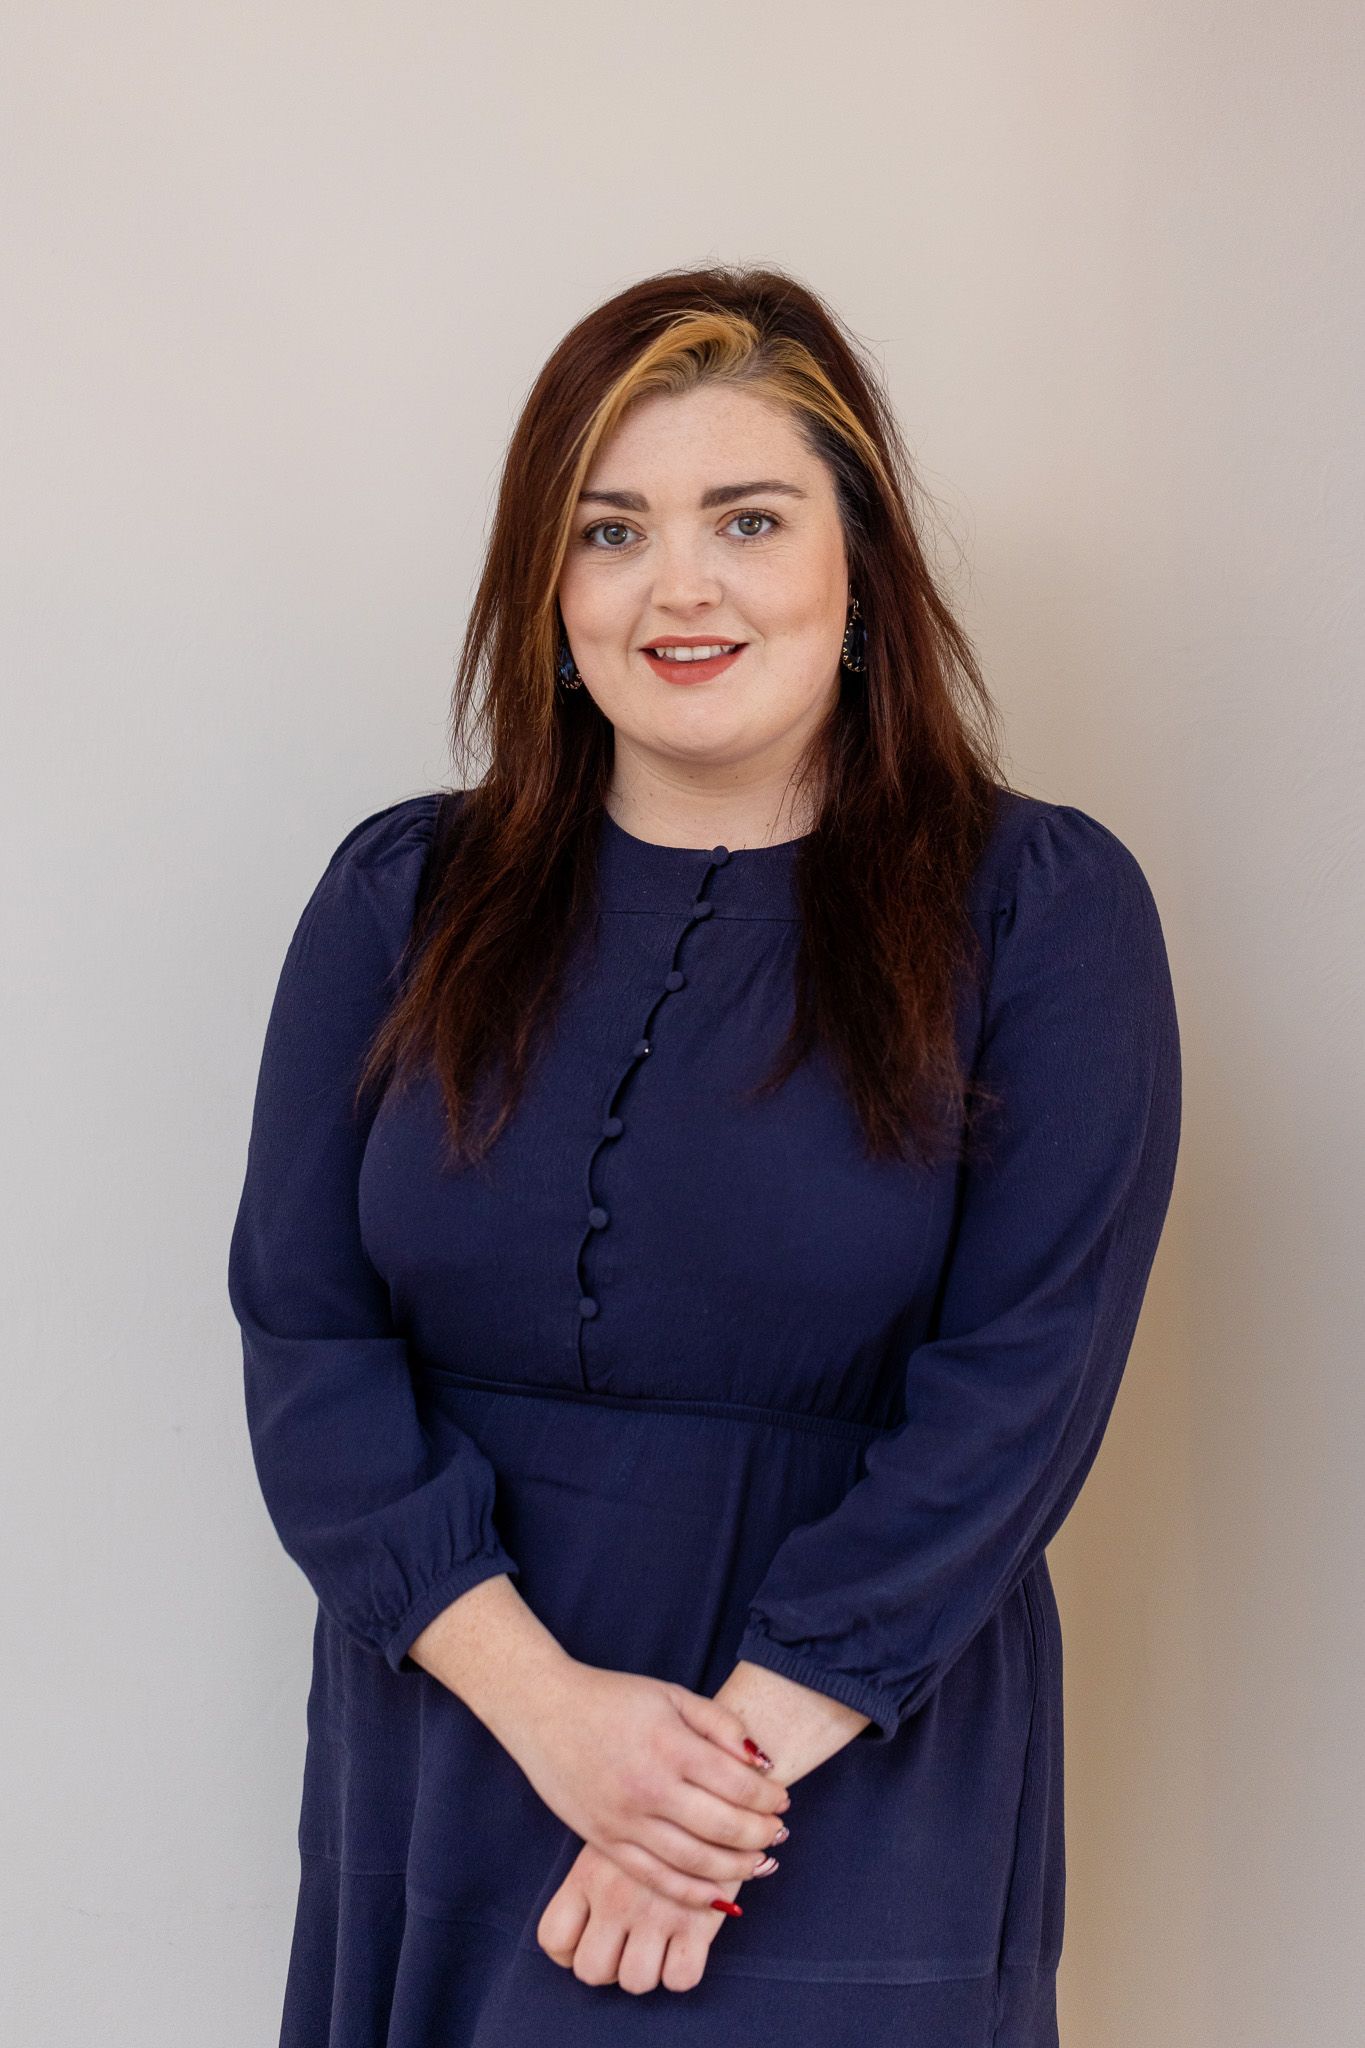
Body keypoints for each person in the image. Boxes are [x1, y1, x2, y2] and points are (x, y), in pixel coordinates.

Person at [227, 263, 1181, 2047]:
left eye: (747, 518)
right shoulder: (397, 897)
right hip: (454, 1725)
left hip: (833, 1759)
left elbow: (1024, 1389)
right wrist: (554, 1718)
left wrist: (700, 1789)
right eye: (609, 530)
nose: (679, 584)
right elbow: (305, 1340)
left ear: (859, 569)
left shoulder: (1038, 911)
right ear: (548, 585)